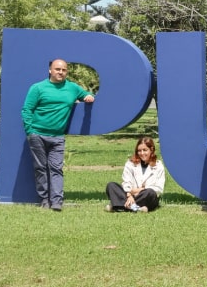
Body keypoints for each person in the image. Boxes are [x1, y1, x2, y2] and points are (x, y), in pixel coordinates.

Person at [21, 59, 95, 211]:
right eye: (57, 69)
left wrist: (88, 96)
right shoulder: (38, 88)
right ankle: (44, 200)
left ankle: (56, 202)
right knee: (40, 168)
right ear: (50, 70)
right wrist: (30, 131)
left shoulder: (72, 88)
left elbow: (86, 94)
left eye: (64, 70)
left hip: (58, 137)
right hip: (38, 135)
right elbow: (27, 110)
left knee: (56, 169)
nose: (61, 72)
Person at [105, 136, 165, 213]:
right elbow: (126, 182)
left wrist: (138, 191)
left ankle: (118, 206)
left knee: (150, 192)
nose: (142, 153)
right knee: (111, 185)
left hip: (146, 196)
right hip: (129, 194)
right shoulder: (130, 163)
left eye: (145, 150)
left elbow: (158, 189)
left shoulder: (158, 166)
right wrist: (130, 195)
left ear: (151, 150)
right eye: (139, 151)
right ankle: (136, 208)